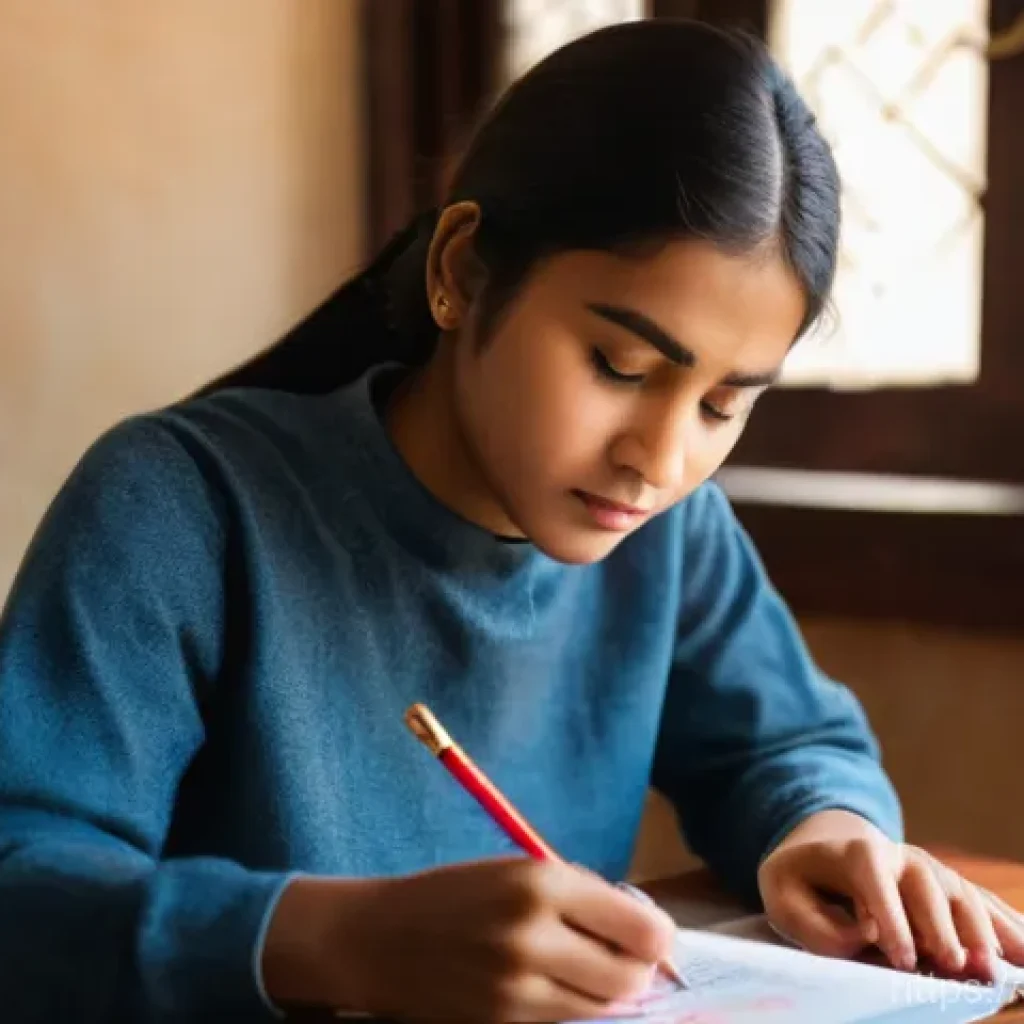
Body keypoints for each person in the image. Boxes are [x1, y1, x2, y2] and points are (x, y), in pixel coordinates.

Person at [0, 18, 1021, 1024]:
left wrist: (822, 827)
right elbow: (22, 887)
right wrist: (332, 942)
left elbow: (788, 739)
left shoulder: (667, 532)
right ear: (459, 269)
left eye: (722, 404)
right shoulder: (181, 505)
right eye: (619, 366)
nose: (660, 460)